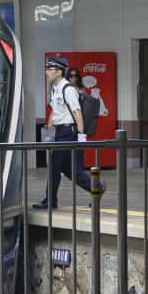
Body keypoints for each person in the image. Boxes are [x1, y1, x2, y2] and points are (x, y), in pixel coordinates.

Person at [34, 56, 106, 209]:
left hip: (69, 132)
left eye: (50, 69)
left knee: (55, 166)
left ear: (59, 72)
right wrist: (49, 128)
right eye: (47, 69)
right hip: (61, 132)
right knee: (71, 170)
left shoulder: (68, 89)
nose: (47, 72)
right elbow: (55, 111)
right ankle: (97, 187)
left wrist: (81, 135)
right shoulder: (55, 88)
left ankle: (51, 200)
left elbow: (77, 112)